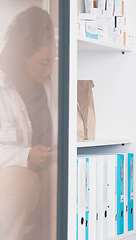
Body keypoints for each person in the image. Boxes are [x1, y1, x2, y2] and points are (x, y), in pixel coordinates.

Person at [0, 6, 58, 240]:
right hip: (15, 181)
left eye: (52, 61)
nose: (50, 70)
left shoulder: (51, 86)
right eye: (44, 63)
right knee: (26, 180)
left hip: (44, 176)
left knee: (60, 176)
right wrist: (26, 156)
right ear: (23, 54)